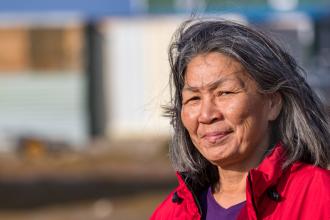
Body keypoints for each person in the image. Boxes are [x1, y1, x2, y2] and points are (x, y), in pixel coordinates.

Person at [150, 18, 330, 220]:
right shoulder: (171, 214)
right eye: (194, 98)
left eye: (225, 93)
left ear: (272, 103)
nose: (207, 115)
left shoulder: (319, 197)